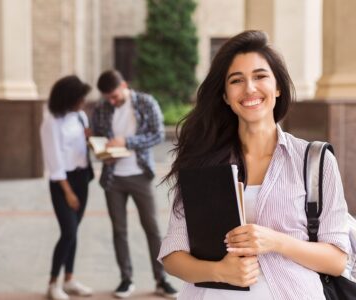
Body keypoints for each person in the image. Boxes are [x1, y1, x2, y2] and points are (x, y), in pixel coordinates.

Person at [158, 30, 351, 300]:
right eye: (236, 80)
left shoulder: (314, 160)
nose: (249, 88)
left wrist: (276, 241)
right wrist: (220, 271)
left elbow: (337, 260)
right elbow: (173, 256)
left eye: (260, 76)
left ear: (278, 86)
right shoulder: (201, 161)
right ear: (225, 95)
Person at [91, 70, 178, 299]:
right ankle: (126, 279)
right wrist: (102, 152)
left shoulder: (145, 102)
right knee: (119, 231)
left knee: (153, 229)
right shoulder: (101, 108)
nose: (111, 101)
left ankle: (161, 279)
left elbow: (158, 134)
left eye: (114, 96)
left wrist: (127, 142)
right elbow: (98, 138)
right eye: (107, 97)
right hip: (112, 178)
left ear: (124, 85)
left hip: (140, 174)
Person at [40, 75, 94, 300]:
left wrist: (90, 139)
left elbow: (82, 147)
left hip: (82, 178)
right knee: (68, 231)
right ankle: (53, 284)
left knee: (74, 232)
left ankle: (69, 279)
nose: (83, 102)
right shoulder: (51, 121)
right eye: (80, 98)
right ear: (68, 98)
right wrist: (68, 192)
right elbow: (54, 162)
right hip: (63, 183)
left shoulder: (80, 116)